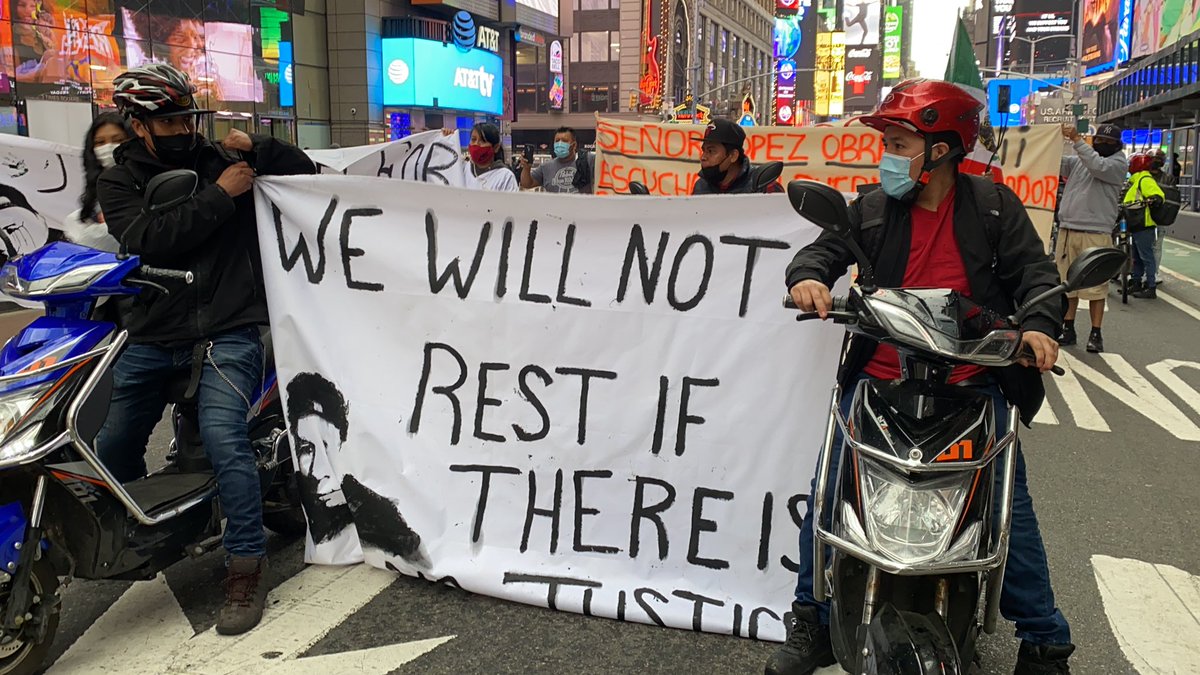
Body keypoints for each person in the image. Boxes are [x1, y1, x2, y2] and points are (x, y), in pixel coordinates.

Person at [771, 79, 1073, 675]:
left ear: (941, 150)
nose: (887, 152)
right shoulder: (872, 207)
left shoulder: (993, 207)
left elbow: (1036, 276)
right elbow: (824, 251)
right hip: (880, 383)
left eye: (900, 141)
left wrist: (1039, 327)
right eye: (887, 140)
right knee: (829, 493)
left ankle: (1044, 641)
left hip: (973, 385)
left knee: (1009, 508)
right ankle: (811, 622)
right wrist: (807, 278)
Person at [96, 63, 316, 636]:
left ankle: (245, 565)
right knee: (111, 440)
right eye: (168, 120)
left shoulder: (217, 158)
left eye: (186, 116)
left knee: (224, 436)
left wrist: (260, 147)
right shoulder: (119, 181)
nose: (183, 128)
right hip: (151, 333)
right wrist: (221, 196)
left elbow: (308, 177)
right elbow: (144, 240)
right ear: (138, 126)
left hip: (228, 328)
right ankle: (147, 529)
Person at [286, 372, 430, 569]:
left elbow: (419, 557)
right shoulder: (313, 510)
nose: (317, 469)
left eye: (326, 446)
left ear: (343, 442)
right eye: (306, 450)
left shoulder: (386, 519)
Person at [1056, 122, 1127, 354]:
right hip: (1068, 230)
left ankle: (1096, 333)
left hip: (1096, 233)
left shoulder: (1116, 164)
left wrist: (1076, 140)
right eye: (1099, 140)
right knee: (1067, 284)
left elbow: (1098, 166)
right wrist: (1048, 143)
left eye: (1108, 143)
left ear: (1117, 146)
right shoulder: (1081, 162)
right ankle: (1068, 327)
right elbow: (1058, 164)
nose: (1102, 145)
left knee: (1096, 286)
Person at [61, 112, 129, 252]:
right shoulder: (95, 189)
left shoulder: (143, 183)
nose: (108, 147)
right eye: (100, 142)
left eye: (117, 140)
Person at [691, 118, 783, 195]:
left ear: (733, 156)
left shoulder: (762, 187)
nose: (703, 157)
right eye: (704, 150)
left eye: (711, 151)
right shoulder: (700, 187)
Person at [1122, 152, 1165, 299]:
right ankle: (1136, 283)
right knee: (1137, 257)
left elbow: (1158, 195)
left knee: (1146, 257)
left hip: (1143, 223)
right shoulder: (1136, 180)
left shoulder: (1145, 179)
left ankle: (1151, 287)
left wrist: (1154, 199)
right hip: (1136, 224)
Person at [519, 126, 594, 193]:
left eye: (564, 141)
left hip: (581, 208)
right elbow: (527, 184)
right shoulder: (546, 167)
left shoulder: (588, 160)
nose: (560, 144)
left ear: (574, 145)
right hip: (554, 208)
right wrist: (526, 168)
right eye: (557, 141)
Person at [465, 122, 518, 192]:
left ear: (496, 147)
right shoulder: (464, 169)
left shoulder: (505, 176)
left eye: (483, 141)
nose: (476, 144)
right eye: (473, 139)